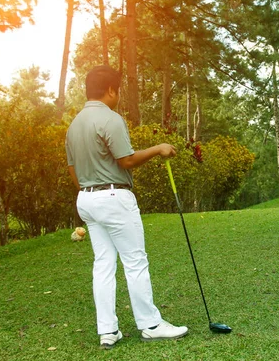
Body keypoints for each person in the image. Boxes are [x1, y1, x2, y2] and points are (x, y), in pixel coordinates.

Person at [65, 65, 188, 349]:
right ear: (110, 90)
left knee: (103, 265)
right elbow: (127, 160)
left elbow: (73, 170)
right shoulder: (110, 119)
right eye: (117, 90)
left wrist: (90, 189)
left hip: (86, 199)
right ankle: (151, 325)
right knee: (135, 262)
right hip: (114, 198)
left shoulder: (74, 124)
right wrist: (159, 148)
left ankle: (108, 331)